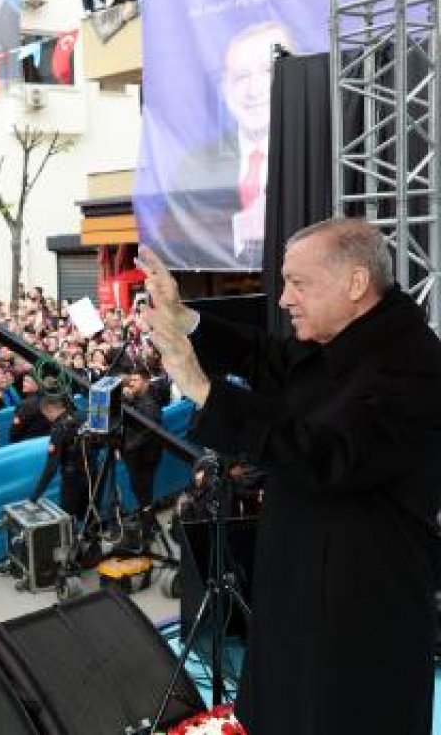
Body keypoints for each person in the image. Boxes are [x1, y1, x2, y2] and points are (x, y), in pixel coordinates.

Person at [138, 220, 441, 735]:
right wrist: (183, 317)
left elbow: (329, 455)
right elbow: (268, 357)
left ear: (355, 284)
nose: (283, 299)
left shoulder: (413, 366)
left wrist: (204, 389)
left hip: (359, 618)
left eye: (299, 283)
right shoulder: (346, 336)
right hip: (301, 595)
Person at [161, 21, 298, 269]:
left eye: (268, 72)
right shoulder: (193, 167)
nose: (254, 90)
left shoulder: (323, 155)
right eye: (242, 77)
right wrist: (240, 229)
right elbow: (176, 242)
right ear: (225, 88)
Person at [118, 371, 163, 537]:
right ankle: (151, 524)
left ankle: (148, 527)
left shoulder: (150, 403)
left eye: (135, 380)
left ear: (146, 382)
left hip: (145, 455)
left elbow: (148, 432)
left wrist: (128, 447)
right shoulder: (135, 400)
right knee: (141, 491)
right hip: (135, 454)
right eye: (130, 380)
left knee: (143, 490)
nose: (131, 383)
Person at [29, 392, 87, 521]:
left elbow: (51, 467)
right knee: (88, 514)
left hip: (73, 479)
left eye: (46, 416)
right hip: (92, 473)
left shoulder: (59, 429)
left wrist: (35, 495)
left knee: (67, 518)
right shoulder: (80, 416)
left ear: (50, 411)